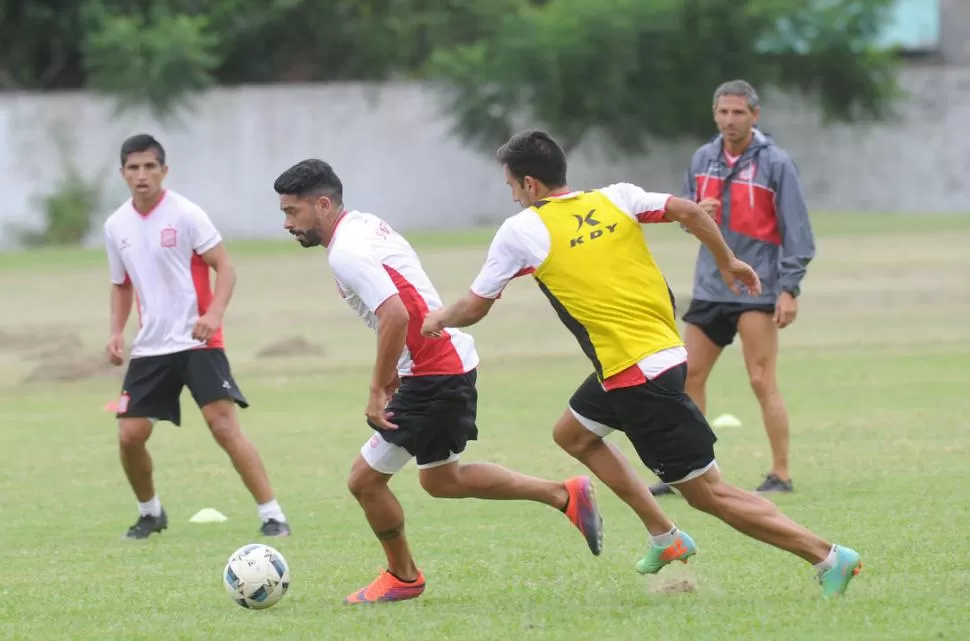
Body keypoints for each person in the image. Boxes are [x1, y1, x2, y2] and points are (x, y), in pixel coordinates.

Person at [420, 129, 861, 597]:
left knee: (710, 494)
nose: (511, 196)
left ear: (530, 184)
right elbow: (688, 210)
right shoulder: (618, 197)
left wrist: (438, 319)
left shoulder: (522, 231)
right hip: (656, 356)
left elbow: (474, 307)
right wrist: (727, 261)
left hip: (638, 377)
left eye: (511, 186)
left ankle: (828, 556)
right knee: (572, 433)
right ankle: (664, 535)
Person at [272, 158, 603, 605]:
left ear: (324, 205)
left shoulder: (347, 250)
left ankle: (403, 576)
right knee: (440, 480)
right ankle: (563, 494)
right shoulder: (364, 226)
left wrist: (378, 386)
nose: (288, 223)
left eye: (292, 212)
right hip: (441, 364)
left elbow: (395, 313)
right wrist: (395, 373)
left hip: (434, 372)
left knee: (364, 482)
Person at [103, 134, 290, 540]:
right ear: (122, 174)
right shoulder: (116, 225)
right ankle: (150, 513)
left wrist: (215, 313)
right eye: (133, 168)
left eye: (150, 166)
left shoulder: (186, 214)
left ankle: (272, 514)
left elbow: (225, 266)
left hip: (198, 339)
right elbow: (121, 285)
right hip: (151, 347)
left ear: (163, 171)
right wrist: (117, 331)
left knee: (222, 425)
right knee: (129, 435)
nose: (142, 175)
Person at [650, 79, 815, 497]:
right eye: (723, 112)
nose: (729, 120)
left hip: (756, 288)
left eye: (738, 112)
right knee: (689, 378)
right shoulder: (703, 159)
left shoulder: (776, 163)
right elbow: (685, 216)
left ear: (754, 116)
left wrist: (789, 288)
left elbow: (798, 232)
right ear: (714, 114)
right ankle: (693, 473)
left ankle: (780, 473)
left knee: (761, 379)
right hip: (710, 286)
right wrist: (693, 216)